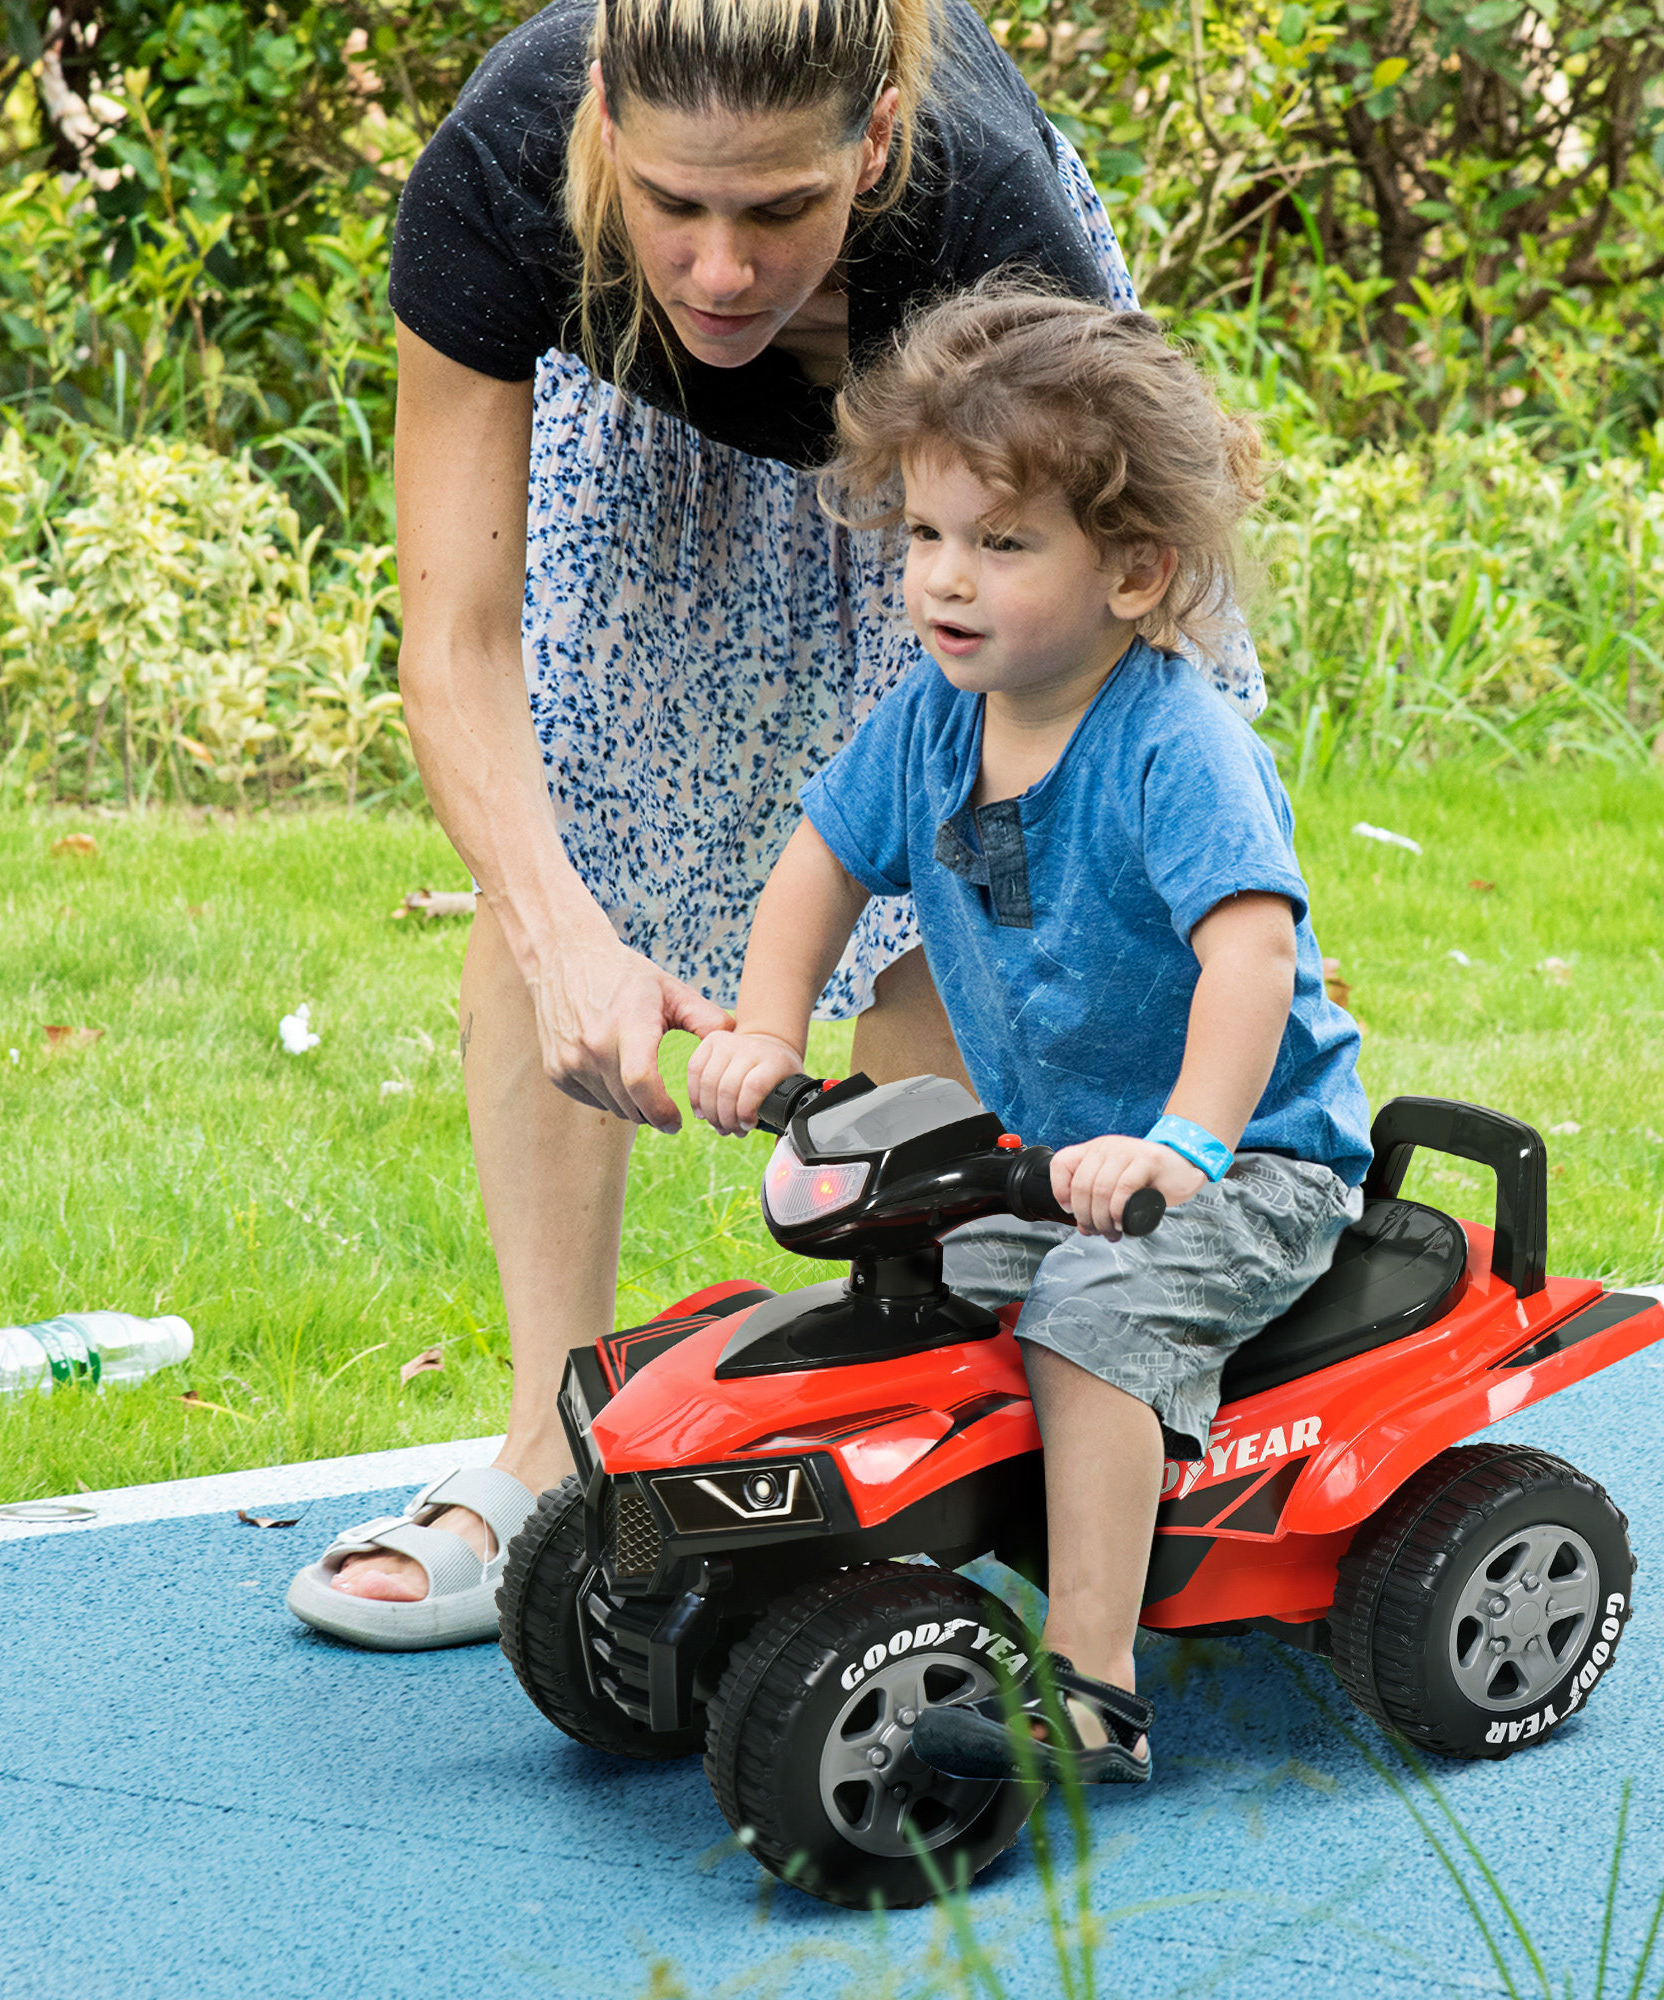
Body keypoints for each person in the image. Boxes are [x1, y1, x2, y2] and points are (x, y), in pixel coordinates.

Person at [286, 0, 1263, 1650]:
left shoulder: (982, 217)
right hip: (651, 435)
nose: (722, 268)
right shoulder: (507, 172)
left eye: (778, 210)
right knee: (565, 849)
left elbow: (1072, 694)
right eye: (674, 202)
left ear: (873, 143)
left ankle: (939, 1421)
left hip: (988, 465)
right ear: (600, 118)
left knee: (991, 869)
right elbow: (458, 644)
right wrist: (565, 938)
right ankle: (548, 1452)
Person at [686, 288, 1371, 1781]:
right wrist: (762, 1024)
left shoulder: (1176, 746)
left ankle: (1097, 1680)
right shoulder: (933, 721)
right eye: (927, 535)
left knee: (1087, 1321)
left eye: (1002, 544)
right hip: (1052, 1153)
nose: (948, 577)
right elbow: (817, 863)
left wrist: (1189, 1142)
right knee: (904, 1293)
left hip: (1248, 1157)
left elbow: (1249, 957)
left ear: (1135, 572)